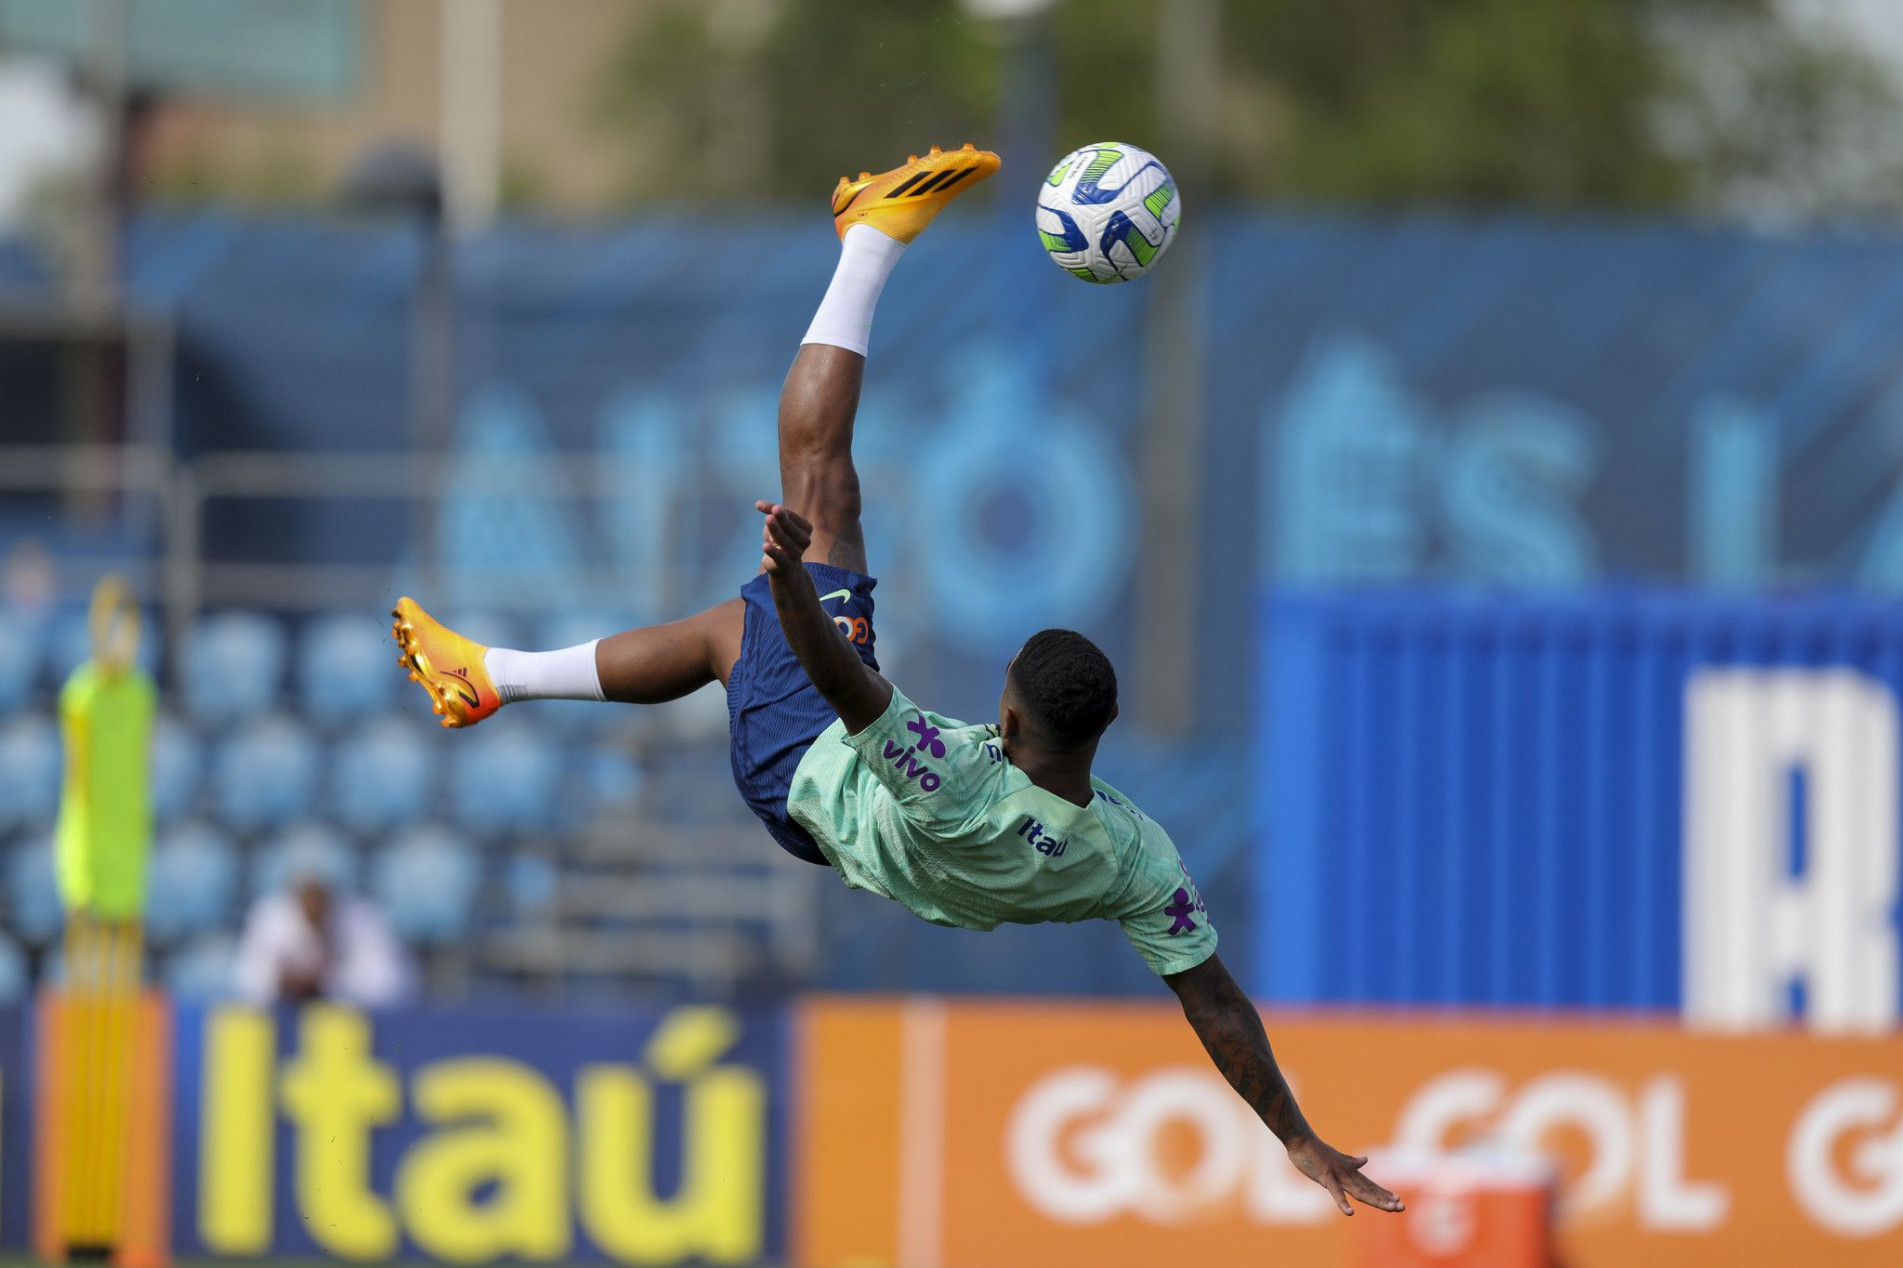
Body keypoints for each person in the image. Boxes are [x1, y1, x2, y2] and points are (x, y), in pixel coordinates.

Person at [392, 144, 1401, 1216]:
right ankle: (488, 677)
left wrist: (790, 578)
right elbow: (1216, 999)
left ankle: (871, 236)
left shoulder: (956, 778)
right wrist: (1295, 1135)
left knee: (816, 491)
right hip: (838, 821)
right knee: (730, 623)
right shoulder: (1133, 858)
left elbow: (842, 684)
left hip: (806, 763)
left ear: (1006, 715)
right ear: (1093, 738)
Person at [234, 866, 414, 1008]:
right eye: (307, 899)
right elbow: (246, 981)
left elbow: (389, 984)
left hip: (347, 1025)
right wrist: (280, 982)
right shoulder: (270, 917)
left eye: (320, 899)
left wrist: (329, 981)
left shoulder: (362, 919)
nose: (314, 908)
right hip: (283, 1019)